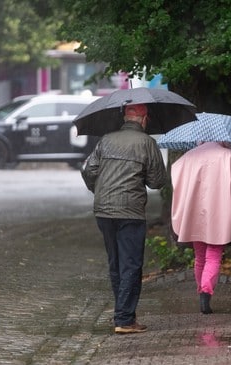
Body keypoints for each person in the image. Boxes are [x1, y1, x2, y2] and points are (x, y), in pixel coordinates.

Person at [81, 103, 167, 334]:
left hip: (104, 210)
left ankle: (124, 315)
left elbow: (88, 170)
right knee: (131, 264)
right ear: (143, 118)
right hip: (130, 211)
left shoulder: (106, 139)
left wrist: (98, 189)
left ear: (126, 117)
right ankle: (124, 319)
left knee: (116, 264)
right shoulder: (147, 143)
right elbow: (157, 181)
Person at [170, 141, 231, 314]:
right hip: (219, 211)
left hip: (194, 211)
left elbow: (176, 179)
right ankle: (206, 291)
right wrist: (230, 204)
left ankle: (201, 291)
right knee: (214, 255)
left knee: (200, 257)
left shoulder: (189, 156)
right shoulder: (229, 156)